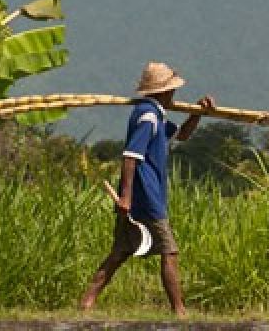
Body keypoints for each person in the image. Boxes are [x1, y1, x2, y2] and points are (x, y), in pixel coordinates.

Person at [80, 61, 215, 317]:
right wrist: (126, 197)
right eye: (172, 91)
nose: (174, 95)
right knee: (169, 250)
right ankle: (179, 310)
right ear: (164, 92)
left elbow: (182, 135)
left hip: (140, 196)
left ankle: (87, 302)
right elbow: (130, 156)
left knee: (119, 252)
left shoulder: (155, 115)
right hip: (146, 196)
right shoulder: (148, 116)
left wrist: (197, 113)